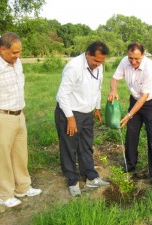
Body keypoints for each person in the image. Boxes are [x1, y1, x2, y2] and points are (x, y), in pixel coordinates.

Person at [0, 32, 42, 208]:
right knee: (3, 157)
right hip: (1, 117)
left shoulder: (17, 62)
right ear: (1, 49)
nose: (17, 56)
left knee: (20, 154)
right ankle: (5, 195)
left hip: (18, 115)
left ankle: (23, 187)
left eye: (19, 52)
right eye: (14, 52)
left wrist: (20, 111)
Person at [55, 41, 110, 197]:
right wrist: (70, 118)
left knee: (86, 145)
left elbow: (98, 88)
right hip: (70, 112)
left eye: (101, 61)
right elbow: (62, 95)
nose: (98, 64)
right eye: (96, 61)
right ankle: (72, 181)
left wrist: (97, 108)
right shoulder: (74, 68)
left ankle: (90, 177)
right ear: (87, 54)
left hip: (87, 113)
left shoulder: (99, 67)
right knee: (69, 147)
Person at [108, 42, 152, 185]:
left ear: (143, 55)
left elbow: (144, 96)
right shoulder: (125, 62)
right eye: (130, 58)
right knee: (131, 133)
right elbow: (114, 78)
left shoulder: (150, 69)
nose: (133, 61)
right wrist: (113, 90)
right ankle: (130, 165)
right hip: (135, 100)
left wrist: (128, 115)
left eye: (137, 59)